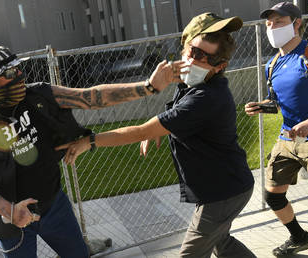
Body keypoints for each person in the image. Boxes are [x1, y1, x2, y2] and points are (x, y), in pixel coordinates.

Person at [57, 13, 255, 258]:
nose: (194, 60)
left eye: (206, 57)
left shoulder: (206, 98)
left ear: (219, 66)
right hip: (223, 187)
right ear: (184, 47)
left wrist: (90, 140)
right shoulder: (195, 85)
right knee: (221, 242)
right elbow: (174, 109)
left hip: (224, 192)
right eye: (192, 51)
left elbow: (141, 130)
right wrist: (160, 127)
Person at [0, 46, 187, 257]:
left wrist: (148, 86)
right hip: (10, 219)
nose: (19, 76)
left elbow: (90, 97)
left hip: (53, 205)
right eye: (9, 74)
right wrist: (9, 211)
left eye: (18, 69)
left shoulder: (39, 95)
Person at [244, 2, 308, 256]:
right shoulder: (272, 64)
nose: (272, 27)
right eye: (269, 24)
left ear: (297, 23)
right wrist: (261, 107)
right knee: (273, 195)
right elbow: (277, 103)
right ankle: (300, 237)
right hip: (287, 139)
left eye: (279, 22)